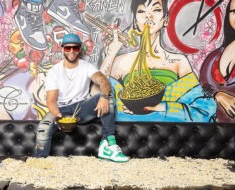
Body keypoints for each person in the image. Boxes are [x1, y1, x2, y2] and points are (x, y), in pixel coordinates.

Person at [99, 0, 216, 122]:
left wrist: (161, 107)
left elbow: (201, 110)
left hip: (169, 131)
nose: (148, 16)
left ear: (165, 19)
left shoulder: (179, 62)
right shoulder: (120, 62)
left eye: (156, 10)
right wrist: (110, 54)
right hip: (131, 130)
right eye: (141, 11)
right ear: (135, 21)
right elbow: (97, 97)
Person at [35, 33, 129, 162]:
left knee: (109, 97)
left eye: (75, 47)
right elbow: (51, 100)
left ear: (80, 49)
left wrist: (103, 97)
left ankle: (108, 145)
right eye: (68, 48)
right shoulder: (54, 72)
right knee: (43, 128)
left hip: (81, 108)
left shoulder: (86, 66)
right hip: (61, 109)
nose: (72, 51)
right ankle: (39, 161)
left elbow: (103, 81)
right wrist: (58, 116)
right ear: (62, 49)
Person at [199, 0, 235, 123]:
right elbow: (200, 88)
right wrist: (218, 95)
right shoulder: (214, 56)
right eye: (234, 12)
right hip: (211, 130)